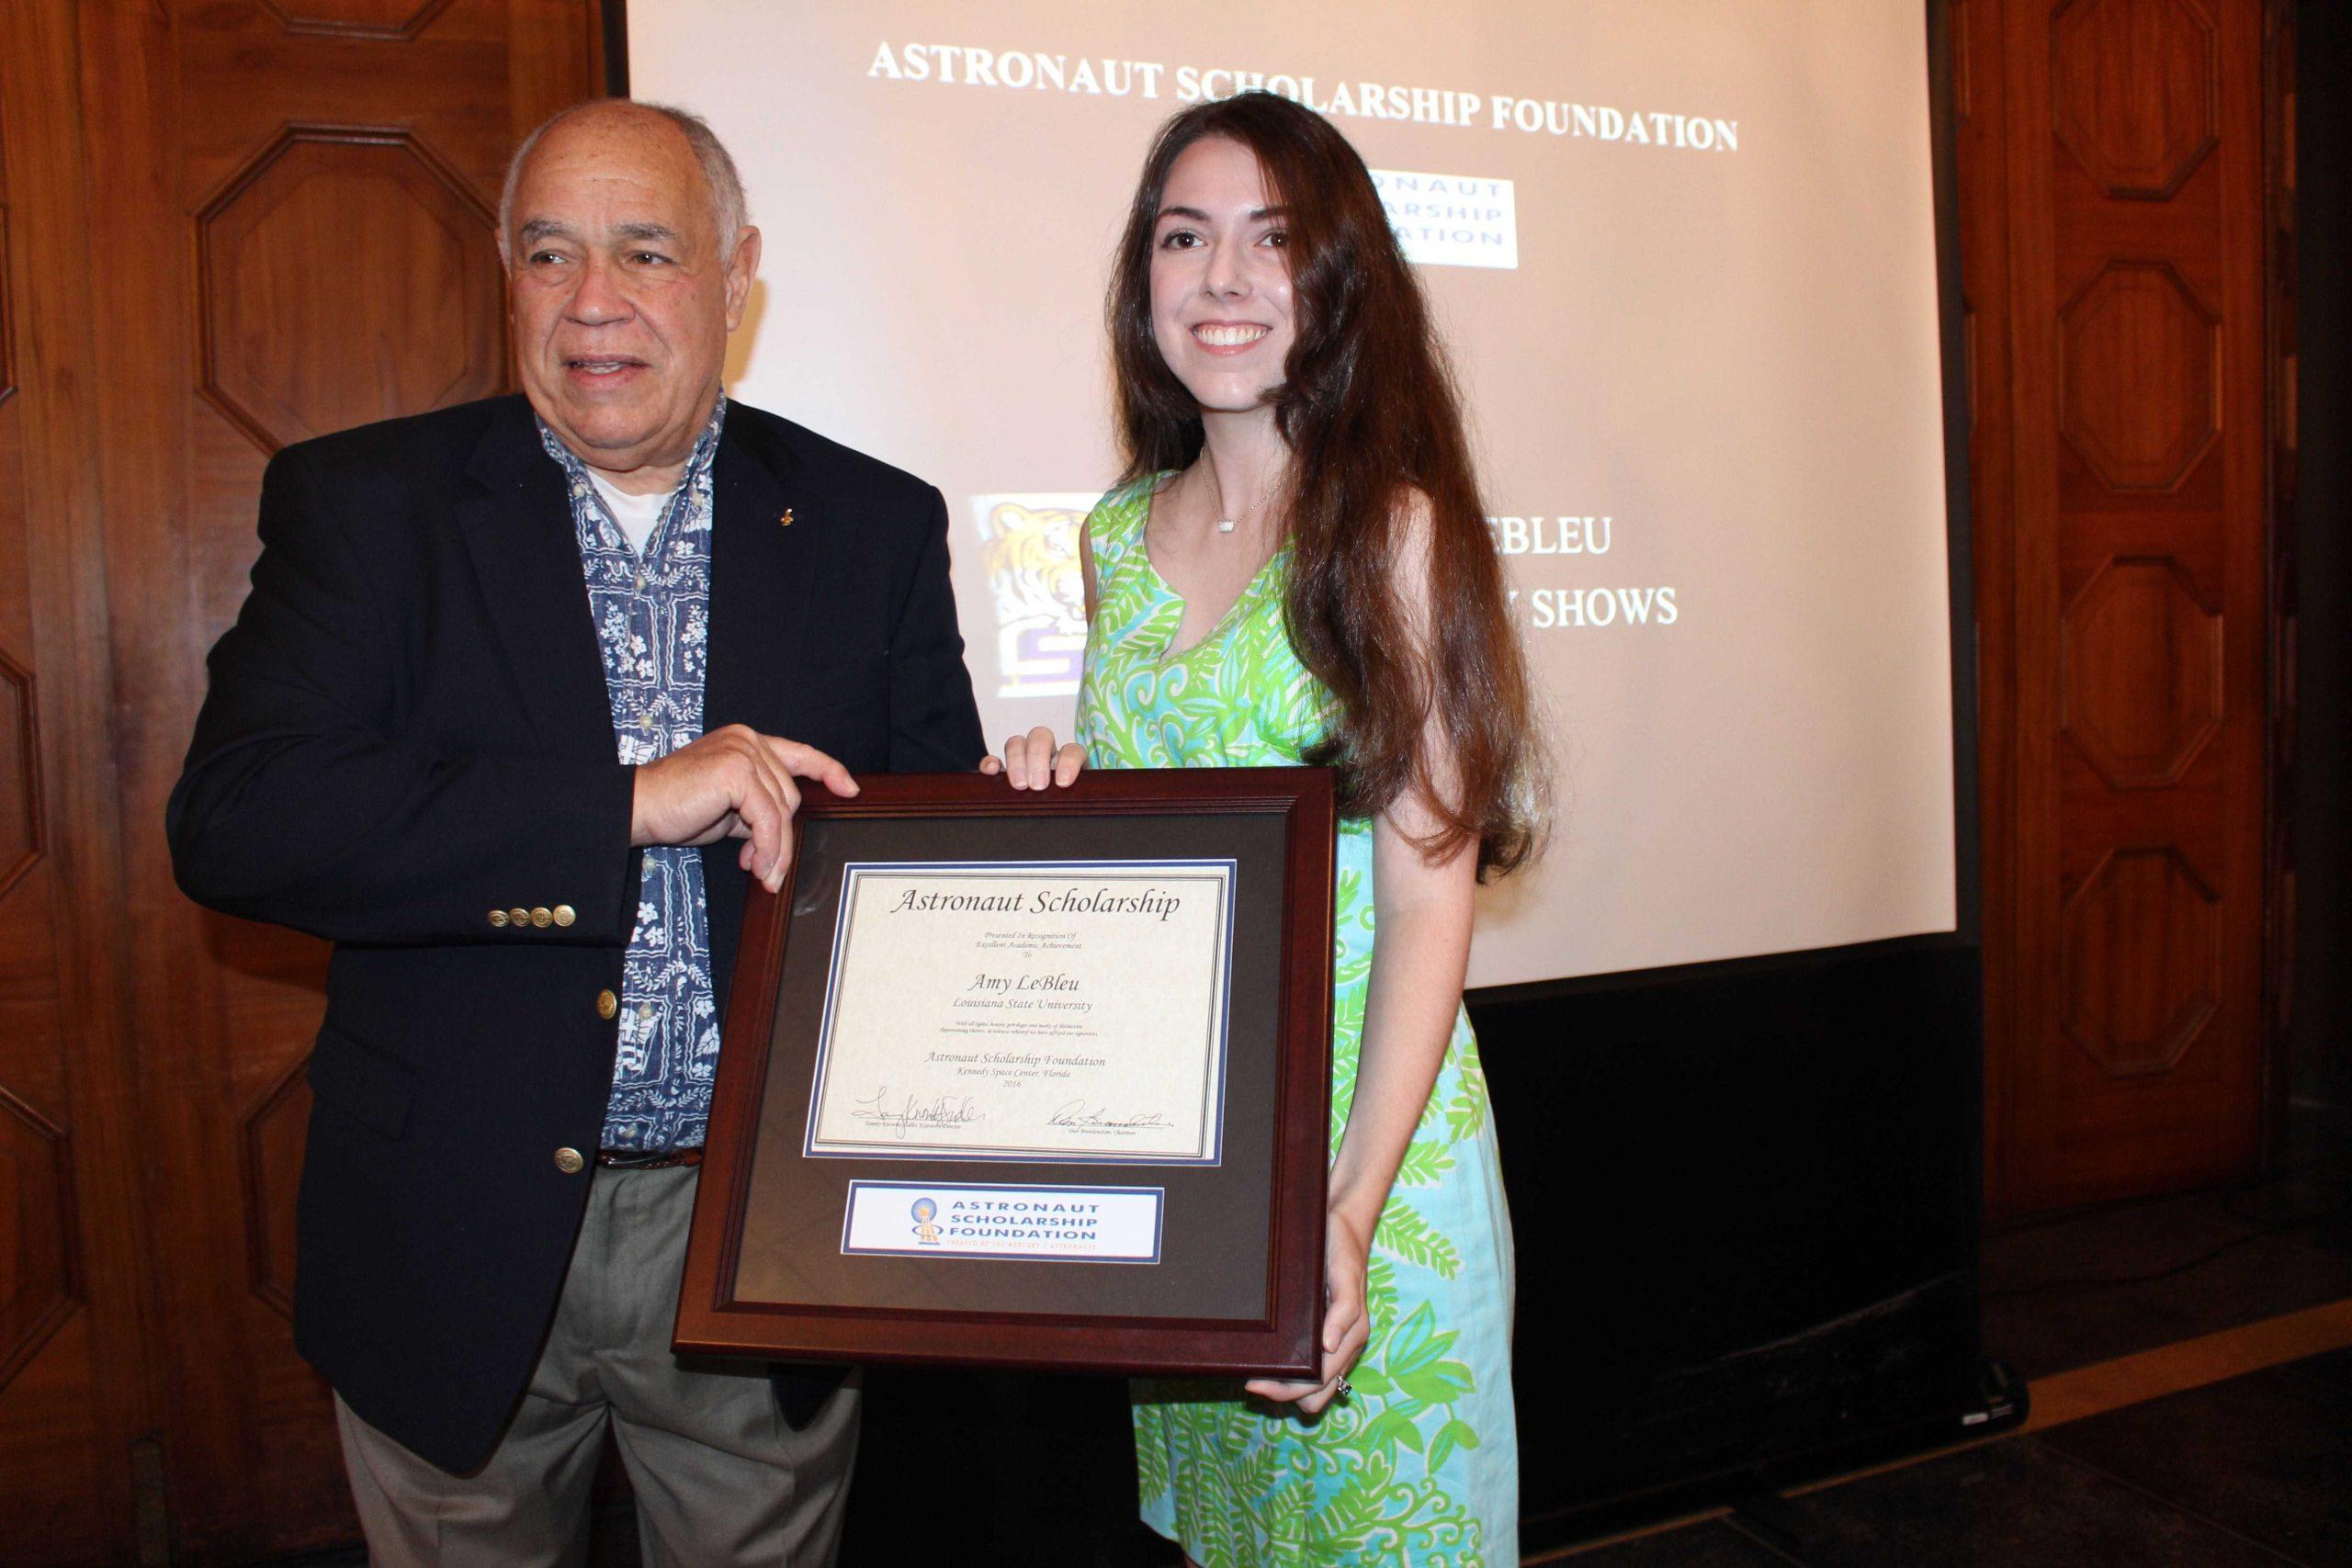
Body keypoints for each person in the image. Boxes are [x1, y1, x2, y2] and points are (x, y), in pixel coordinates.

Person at [166, 99, 994, 1564]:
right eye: (549, 256)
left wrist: (1026, 825)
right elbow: (238, 820)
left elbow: (925, 860)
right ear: (507, 274)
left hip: (754, 1238)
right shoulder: (370, 509)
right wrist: (620, 806)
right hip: (449, 1228)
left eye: (645, 253)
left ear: (736, 277)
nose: (593, 303)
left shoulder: (872, 525)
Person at [1000, 91, 1544, 1565]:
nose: (1223, 279)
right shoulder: (1112, 539)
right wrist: (1053, 798)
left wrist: (1348, 1213)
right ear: (1145, 280)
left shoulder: (1396, 533)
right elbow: (1141, 856)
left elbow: (1431, 904)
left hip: (1367, 1150)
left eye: (1272, 240)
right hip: (1192, 1153)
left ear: (1337, 281)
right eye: (1185, 238)